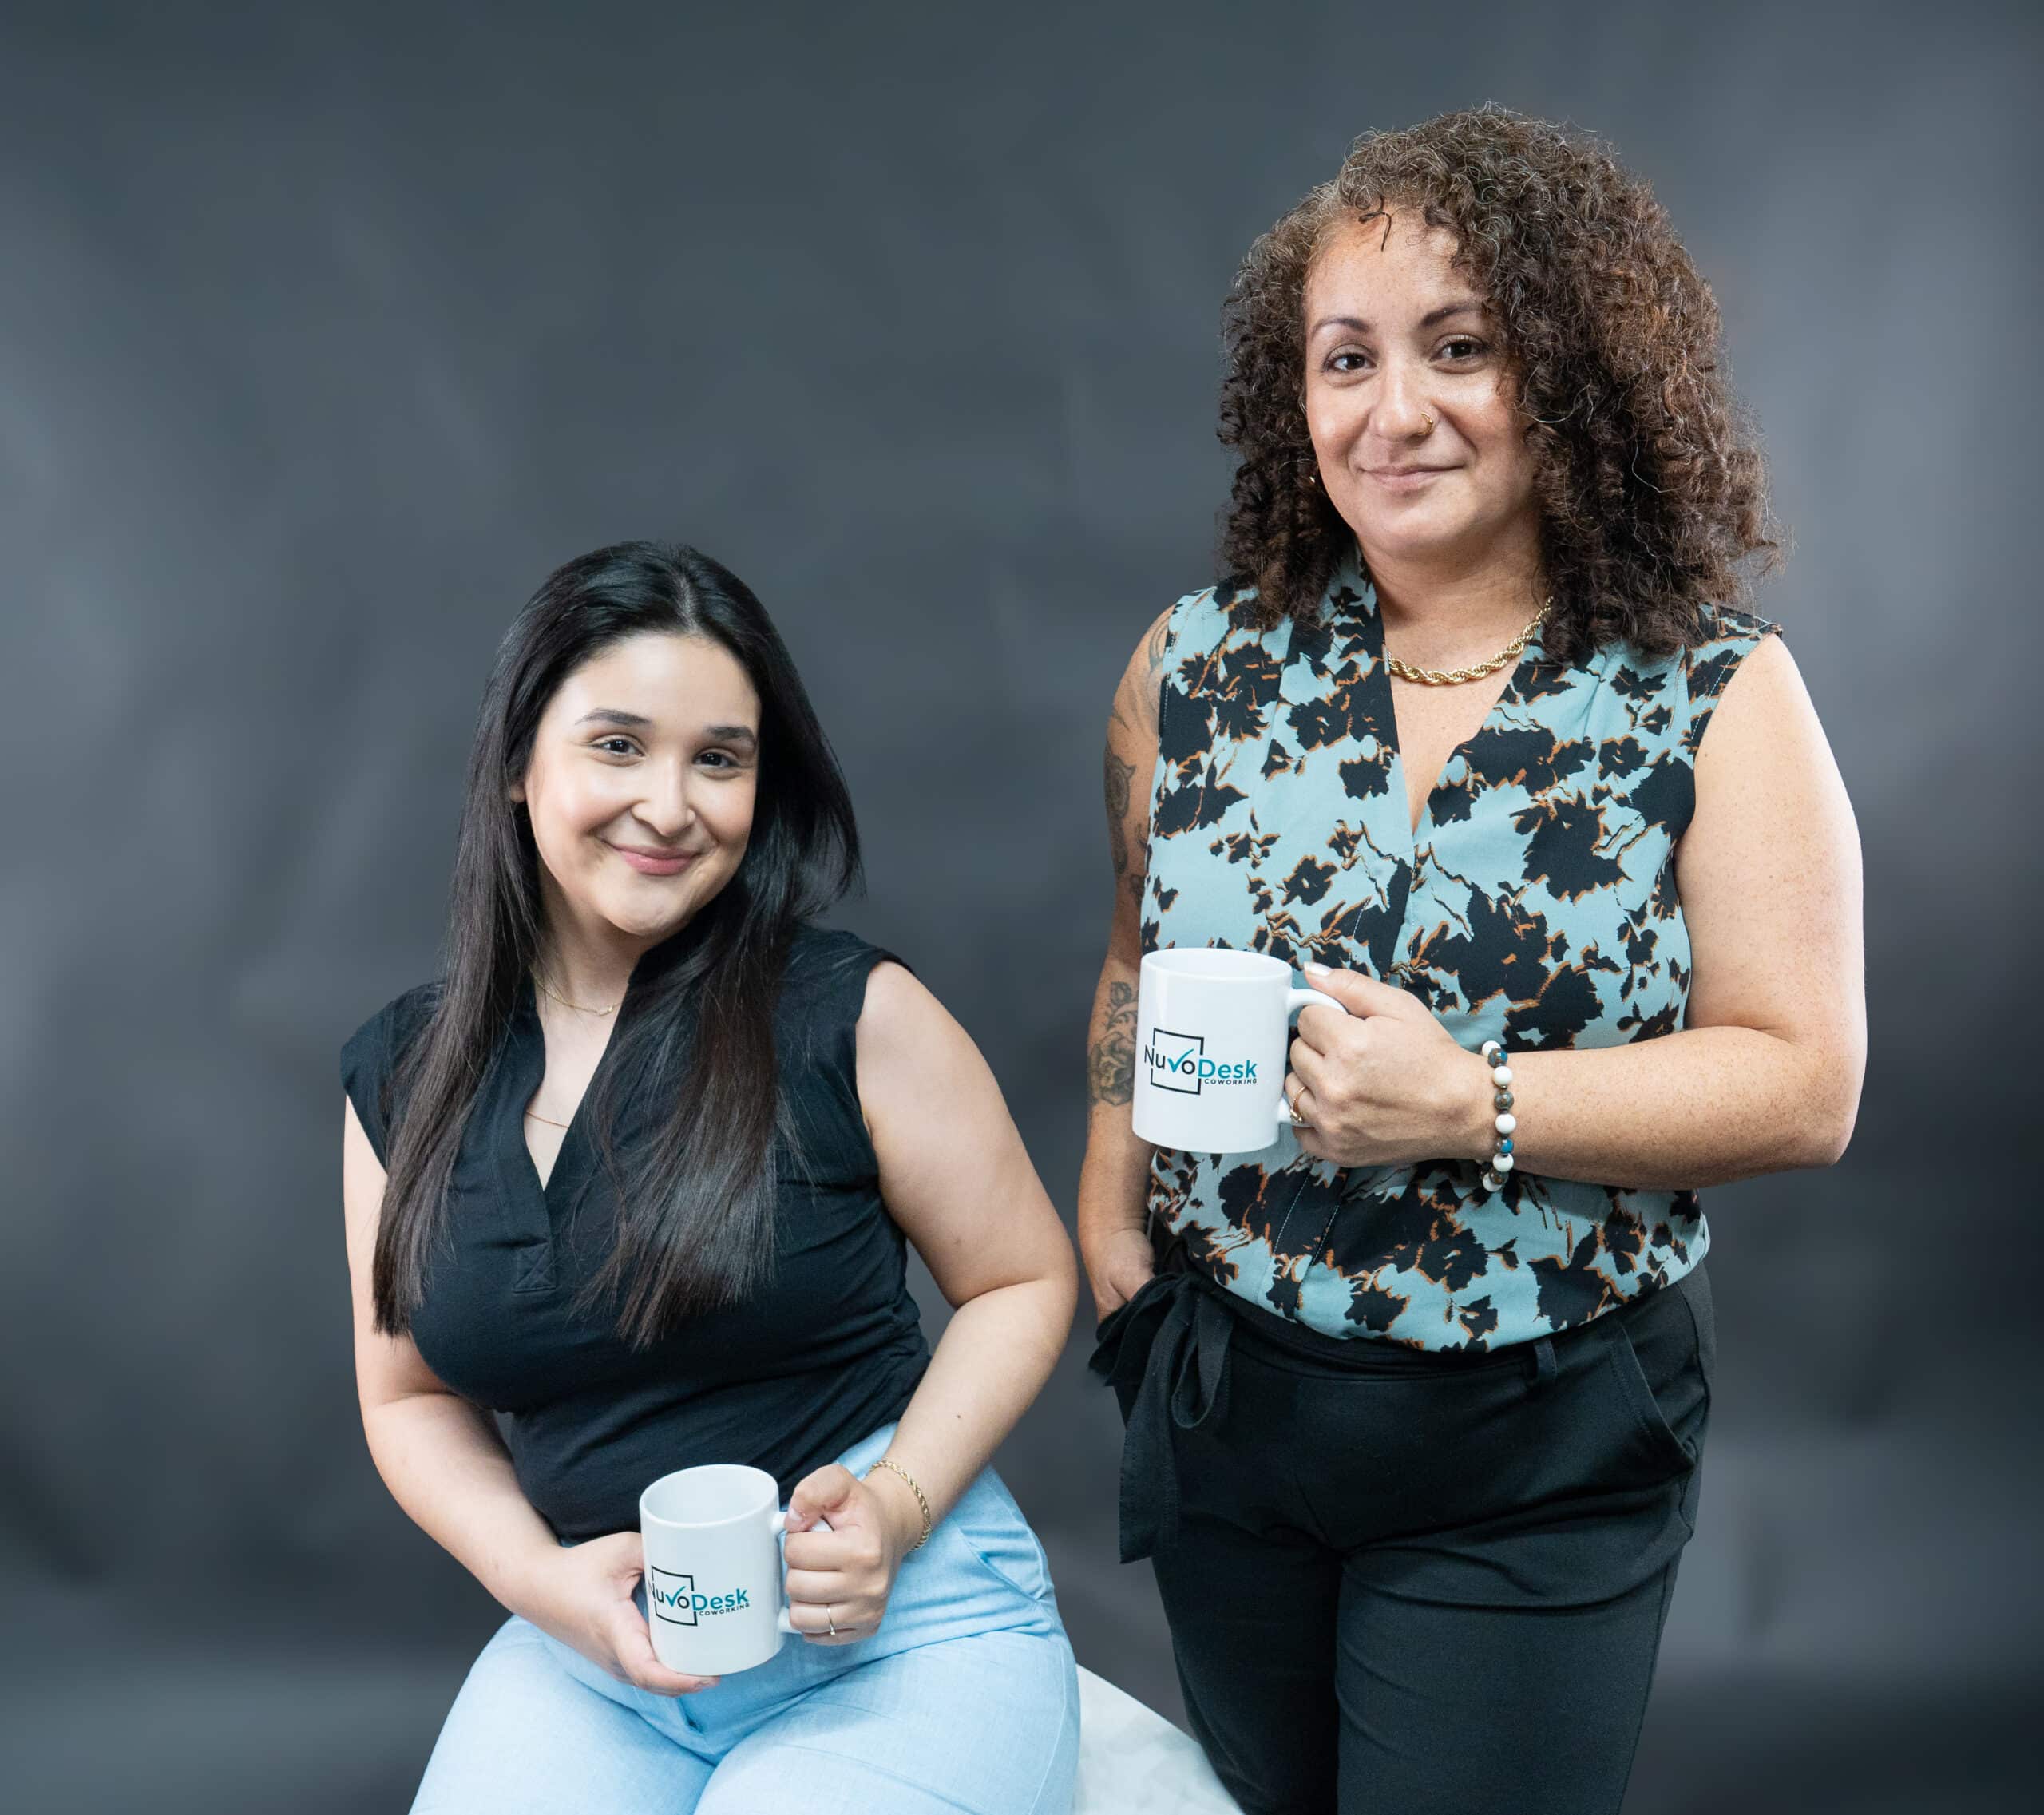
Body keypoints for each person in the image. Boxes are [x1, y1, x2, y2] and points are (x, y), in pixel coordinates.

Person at [1079, 106, 1864, 1815]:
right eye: (1342, 358)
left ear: (1565, 376)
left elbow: (1802, 1080)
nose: (1392, 409)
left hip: (1537, 1436)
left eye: (1458, 348)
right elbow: (1138, 948)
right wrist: (1103, 1211)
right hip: (1236, 1407)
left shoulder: (1713, 695)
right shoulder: (1191, 667)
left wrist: (1470, 1102)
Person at [340, 541, 1079, 1813]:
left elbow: (1022, 1275)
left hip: (903, 1630)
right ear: (519, 765)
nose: (673, 804)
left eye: (719, 759)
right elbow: (406, 1398)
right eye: (618, 745)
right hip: (599, 1650)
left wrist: (897, 1508)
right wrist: (540, 1582)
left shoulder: (854, 1012)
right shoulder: (404, 1070)